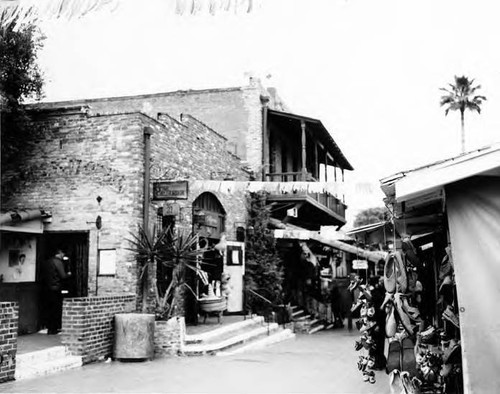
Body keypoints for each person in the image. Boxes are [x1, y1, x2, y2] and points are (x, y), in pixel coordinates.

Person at [41, 248, 71, 335]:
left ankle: (49, 327)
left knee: (49, 308)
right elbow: (63, 275)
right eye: (62, 254)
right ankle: (54, 328)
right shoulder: (58, 262)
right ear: (59, 253)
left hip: (47, 288)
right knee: (56, 309)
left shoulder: (47, 262)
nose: (63, 256)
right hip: (56, 288)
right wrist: (68, 274)